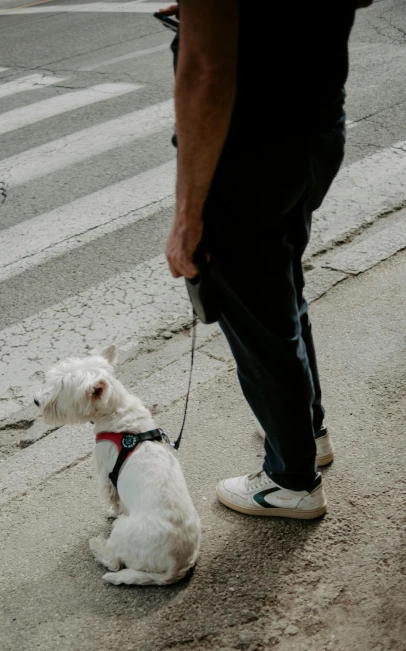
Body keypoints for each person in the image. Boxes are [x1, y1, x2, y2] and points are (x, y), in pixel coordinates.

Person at [163, 0, 373, 520]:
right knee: (281, 293)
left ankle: (291, 481)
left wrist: (187, 215)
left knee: (259, 325)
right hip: (316, 132)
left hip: (248, 153)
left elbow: (208, 72)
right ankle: (308, 432)